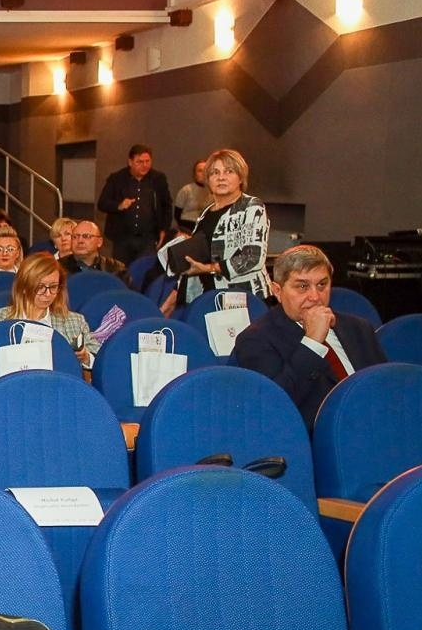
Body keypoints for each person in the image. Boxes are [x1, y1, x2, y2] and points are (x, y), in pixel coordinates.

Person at [232, 244, 387, 431]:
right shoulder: (256, 340)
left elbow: (383, 386)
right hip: (318, 440)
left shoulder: (358, 328)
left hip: (375, 427)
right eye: (302, 286)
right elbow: (276, 405)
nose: (315, 296)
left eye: (322, 284)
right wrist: (312, 342)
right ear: (277, 291)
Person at [160, 148, 271, 313]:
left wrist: (209, 268)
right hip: (209, 297)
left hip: (244, 299)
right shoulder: (206, 212)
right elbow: (199, 258)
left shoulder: (251, 207)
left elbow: (252, 257)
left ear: (240, 177)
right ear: (208, 180)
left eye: (229, 171)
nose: (221, 177)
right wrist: (171, 300)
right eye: (214, 173)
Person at [0, 253, 99, 367]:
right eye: (40, 287)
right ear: (23, 287)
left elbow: (100, 359)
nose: (48, 294)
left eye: (53, 287)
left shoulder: (75, 321)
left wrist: (86, 357)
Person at [96, 144, 173, 264]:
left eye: (147, 161)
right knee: (121, 271)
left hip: (148, 237)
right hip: (122, 238)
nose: (145, 165)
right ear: (130, 162)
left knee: (144, 271)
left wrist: (163, 229)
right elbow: (102, 203)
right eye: (140, 162)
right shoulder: (117, 178)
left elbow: (167, 205)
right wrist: (119, 205)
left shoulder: (158, 179)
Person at [60, 220, 128, 283]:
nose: (80, 241)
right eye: (75, 237)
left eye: (86, 236)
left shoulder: (116, 269)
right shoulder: (58, 267)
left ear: (99, 242)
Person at [172, 157, 211, 234]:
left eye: (205, 170)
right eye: (200, 171)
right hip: (186, 226)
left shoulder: (212, 192)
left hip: (203, 227)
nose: (203, 173)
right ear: (195, 174)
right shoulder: (186, 190)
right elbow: (177, 214)